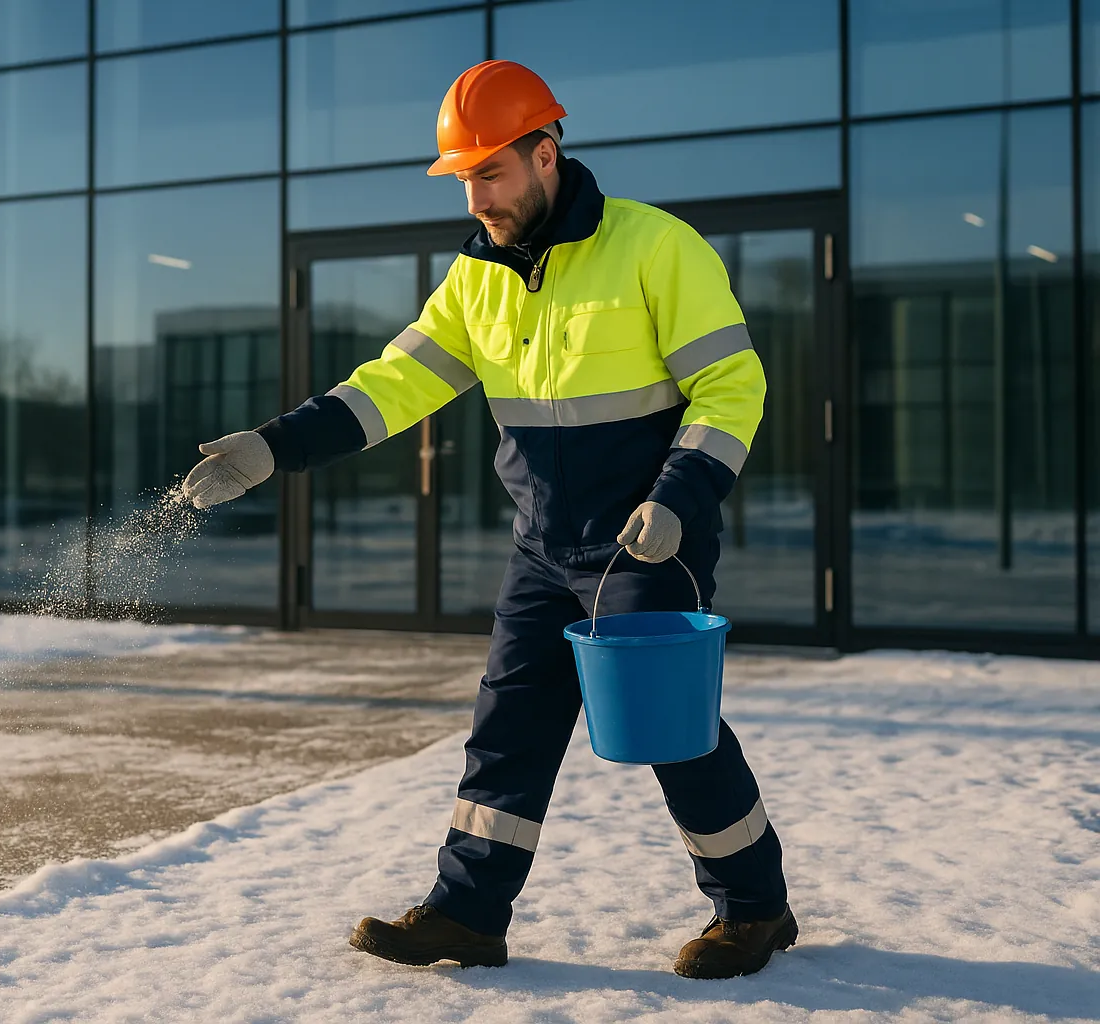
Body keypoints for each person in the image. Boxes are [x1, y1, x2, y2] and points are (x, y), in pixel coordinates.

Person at [181, 60, 795, 980]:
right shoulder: (476, 281)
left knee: (666, 725)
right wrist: (274, 447)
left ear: (545, 154)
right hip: (545, 547)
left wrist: (680, 497)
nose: (477, 197)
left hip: (645, 538)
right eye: (464, 178)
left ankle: (754, 912)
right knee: (506, 725)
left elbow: (731, 383)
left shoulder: (656, 247)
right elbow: (394, 384)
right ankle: (468, 914)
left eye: (490, 173)